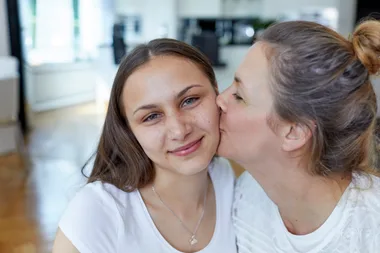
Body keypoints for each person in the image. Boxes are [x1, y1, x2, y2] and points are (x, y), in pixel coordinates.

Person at [52, 38, 237, 253]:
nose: (179, 130)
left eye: (190, 100)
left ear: (217, 93)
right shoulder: (96, 212)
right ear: (129, 130)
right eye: (151, 116)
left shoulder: (224, 178)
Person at [217, 20, 380, 252]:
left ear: (294, 132)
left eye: (239, 96)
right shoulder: (244, 196)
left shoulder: (372, 230)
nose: (219, 100)